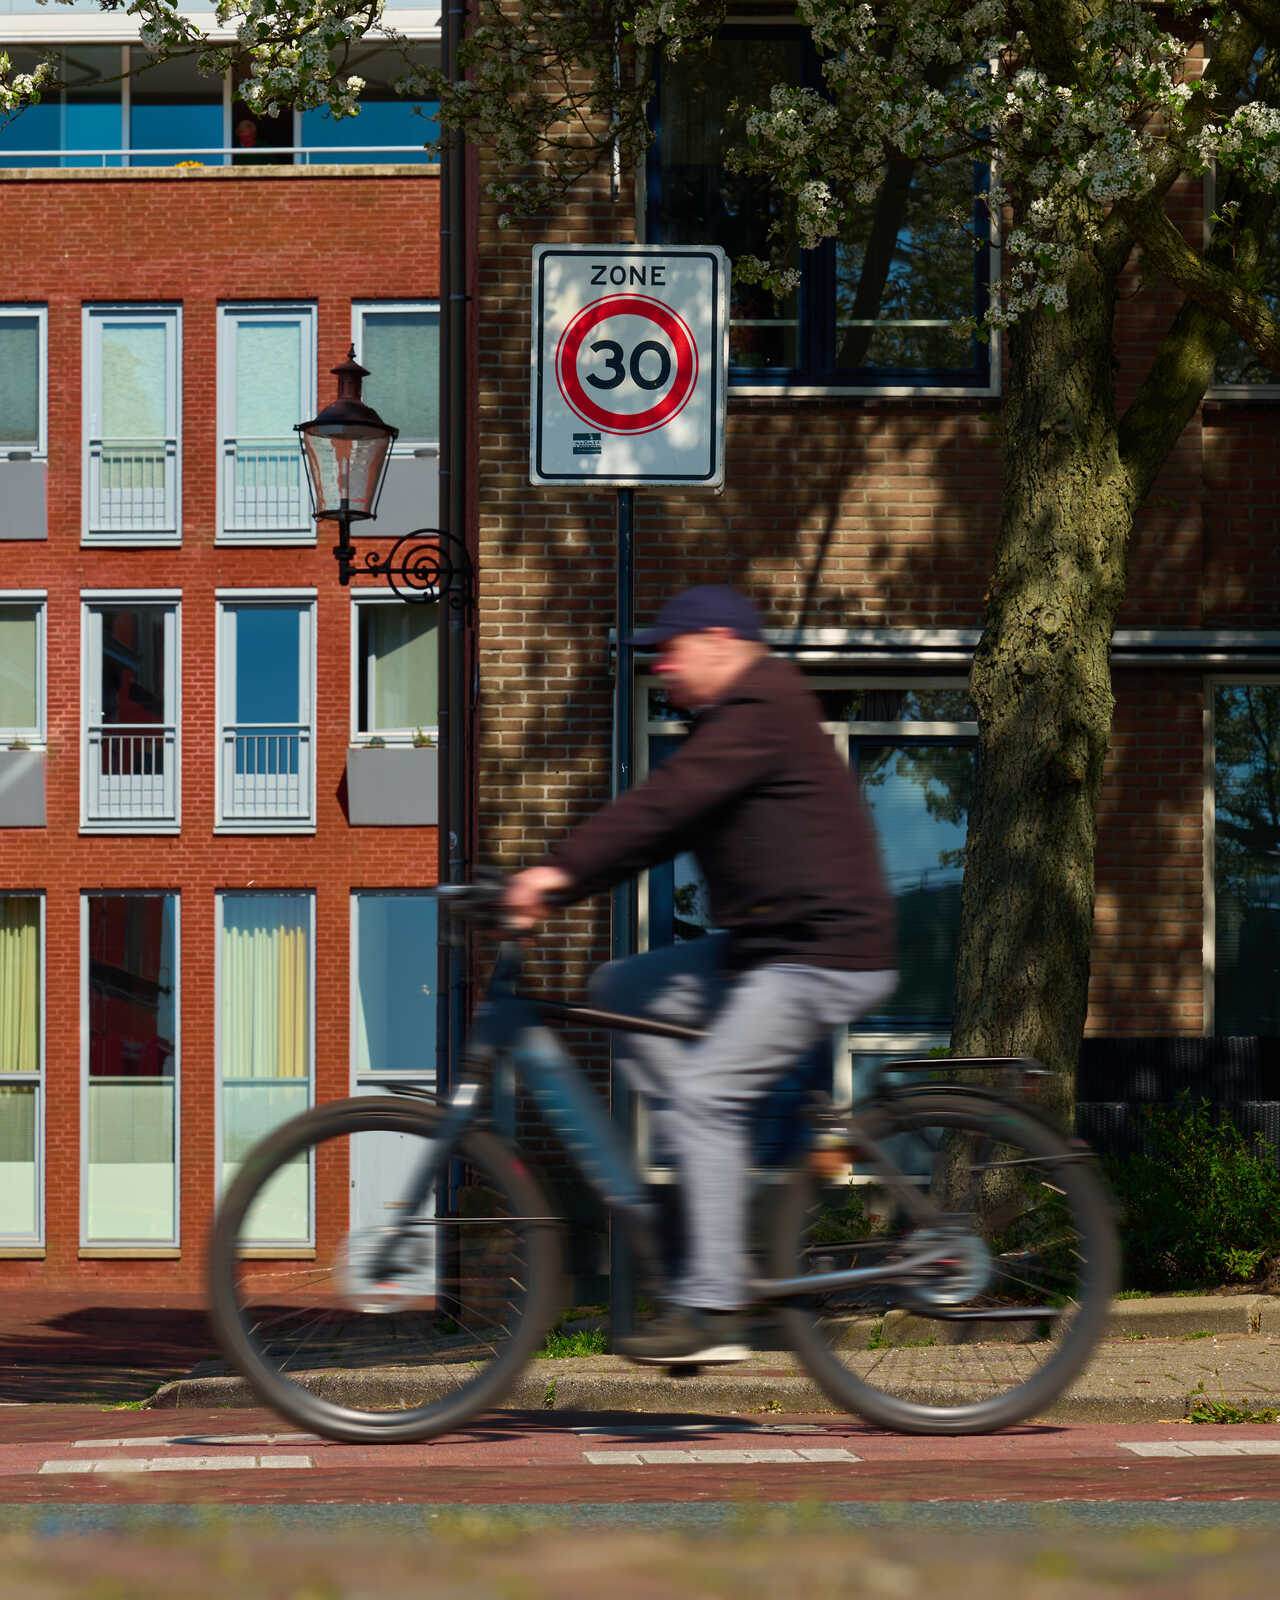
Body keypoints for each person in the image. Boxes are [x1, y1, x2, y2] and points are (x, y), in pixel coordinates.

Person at [506, 585, 897, 1364]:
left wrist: (553, 877)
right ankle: (714, 1190)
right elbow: (665, 820)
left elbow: (664, 807)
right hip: (764, 947)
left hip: (822, 952)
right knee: (622, 988)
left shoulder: (762, 707)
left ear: (720, 640)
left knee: (706, 1095)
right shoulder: (735, 719)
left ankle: (715, 1307)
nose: (663, 666)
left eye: (673, 650)